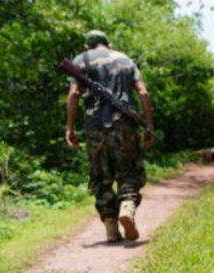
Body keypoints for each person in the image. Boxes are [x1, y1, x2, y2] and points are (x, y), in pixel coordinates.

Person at [65, 30, 156, 243]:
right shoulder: (126, 60)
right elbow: (143, 93)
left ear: (88, 47)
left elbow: (74, 94)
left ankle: (111, 229)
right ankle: (127, 206)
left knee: (100, 176)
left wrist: (69, 128)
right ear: (109, 44)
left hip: (94, 126)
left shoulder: (80, 60)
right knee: (129, 171)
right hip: (124, 124)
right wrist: (149, 126)